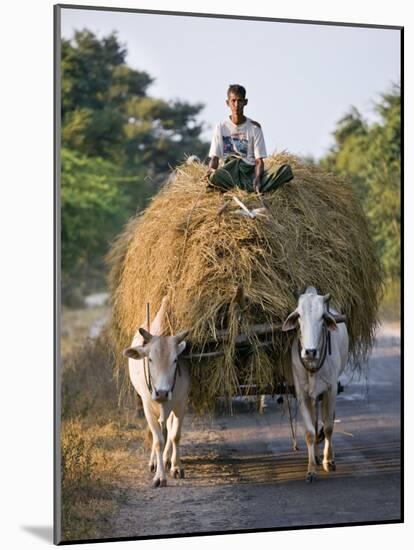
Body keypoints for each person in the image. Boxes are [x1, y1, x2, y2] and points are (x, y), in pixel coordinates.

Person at [205, 84, 293, 193]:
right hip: (229, 173)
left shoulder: (254, 127)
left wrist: (257, 177)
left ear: (245, 102)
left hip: (248, 172)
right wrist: (210, 172)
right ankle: (249, 189)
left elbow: (259, 161)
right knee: (214, 176)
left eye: (240, 101)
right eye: (233, 101)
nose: (236, 105)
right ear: (227, 103)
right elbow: (215, 158)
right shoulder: (221, 127)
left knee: (284, 170)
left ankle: (252, 186)